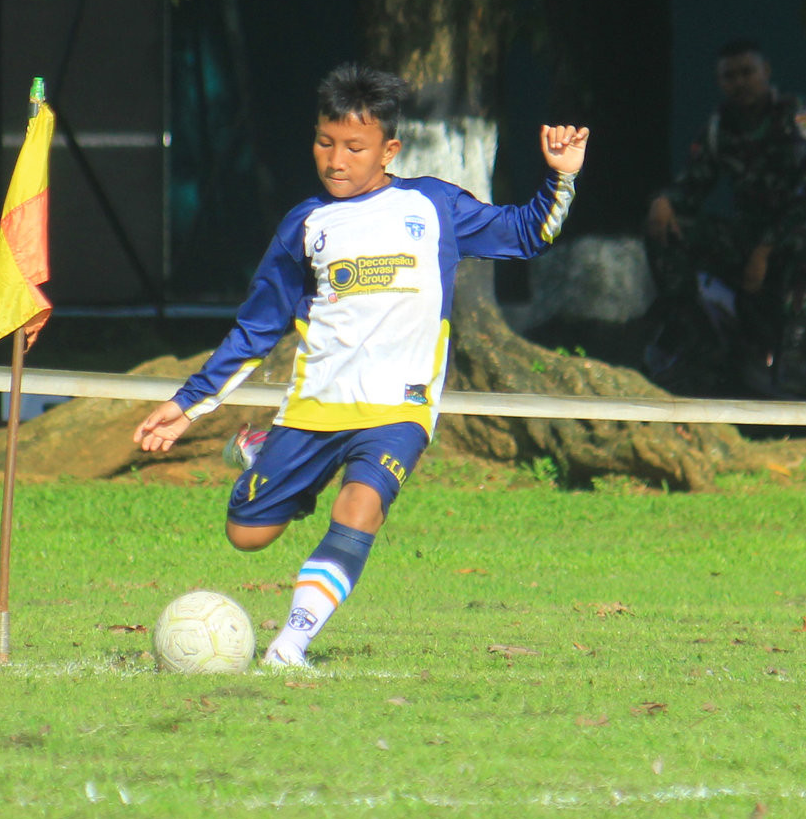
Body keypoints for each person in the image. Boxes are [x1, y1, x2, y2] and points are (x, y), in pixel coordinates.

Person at [132, 66, 589, 668]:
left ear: (389, 149)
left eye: (354, 146)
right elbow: (258, 326)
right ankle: (261, 448)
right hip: (316, 405)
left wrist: (560, 176)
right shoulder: (305, 225)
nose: (336, 159)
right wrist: (186, 404)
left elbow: (528, 233)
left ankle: (290, 644)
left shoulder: (433, 205)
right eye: (325, 142)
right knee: (247, 534)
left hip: (399, 408)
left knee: (360, 505)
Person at [644, 38, 806, 377]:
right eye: (729, 76)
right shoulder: (720, 127)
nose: (740, 82)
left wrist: (766, 248)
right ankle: (687, 327)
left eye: (747, 72)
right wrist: (663, 202)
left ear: (766, 71)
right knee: (666, 227)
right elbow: (694, 182)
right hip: (747, 232)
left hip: (798, 226)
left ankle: (795, 355)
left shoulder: (798, 115)